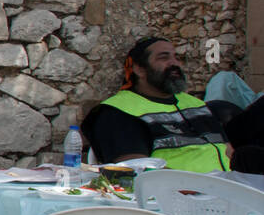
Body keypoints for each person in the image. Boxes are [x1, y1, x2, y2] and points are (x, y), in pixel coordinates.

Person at [82, 36, 264, 172]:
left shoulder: (193, 103)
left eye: (176, 57)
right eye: (163, 58)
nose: (174, 63)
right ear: (139, 69)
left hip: (230, 192)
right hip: (176, 201)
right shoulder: (118, 111)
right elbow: (133, 167)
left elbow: (227, 150)